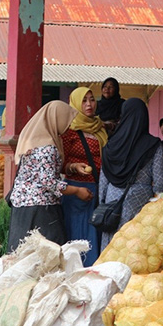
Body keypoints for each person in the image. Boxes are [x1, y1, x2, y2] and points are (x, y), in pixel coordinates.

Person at [6, 101, 93, 253]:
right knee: (48, 254)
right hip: (40, 208)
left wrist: (71, 167)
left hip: (23, 204)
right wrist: (77, 191)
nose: (68, 126)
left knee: (23, 254)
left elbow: (42, 171)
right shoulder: (48, 147)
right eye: (66, 120)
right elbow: (49, 183)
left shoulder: (35, 140)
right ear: (56, 119)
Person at [98, 98, 163, 250]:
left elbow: (104, 179)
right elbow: (160, 182)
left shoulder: (111, 144)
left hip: (112, 199)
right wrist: (159, 207)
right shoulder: (153, 144)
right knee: (134, 246)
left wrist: (103, 202)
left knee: (111, 245)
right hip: (140, 201)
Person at [61, 87, 108, 265]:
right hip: (75, 192)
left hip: (98, 189)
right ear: (75, 104)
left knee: (94, 235)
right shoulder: (68, 131)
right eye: (84, 100)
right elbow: (59, 164)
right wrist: (73, 167)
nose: (89, 104)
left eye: (92, 99)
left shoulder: (99, 128)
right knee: (77, 237)